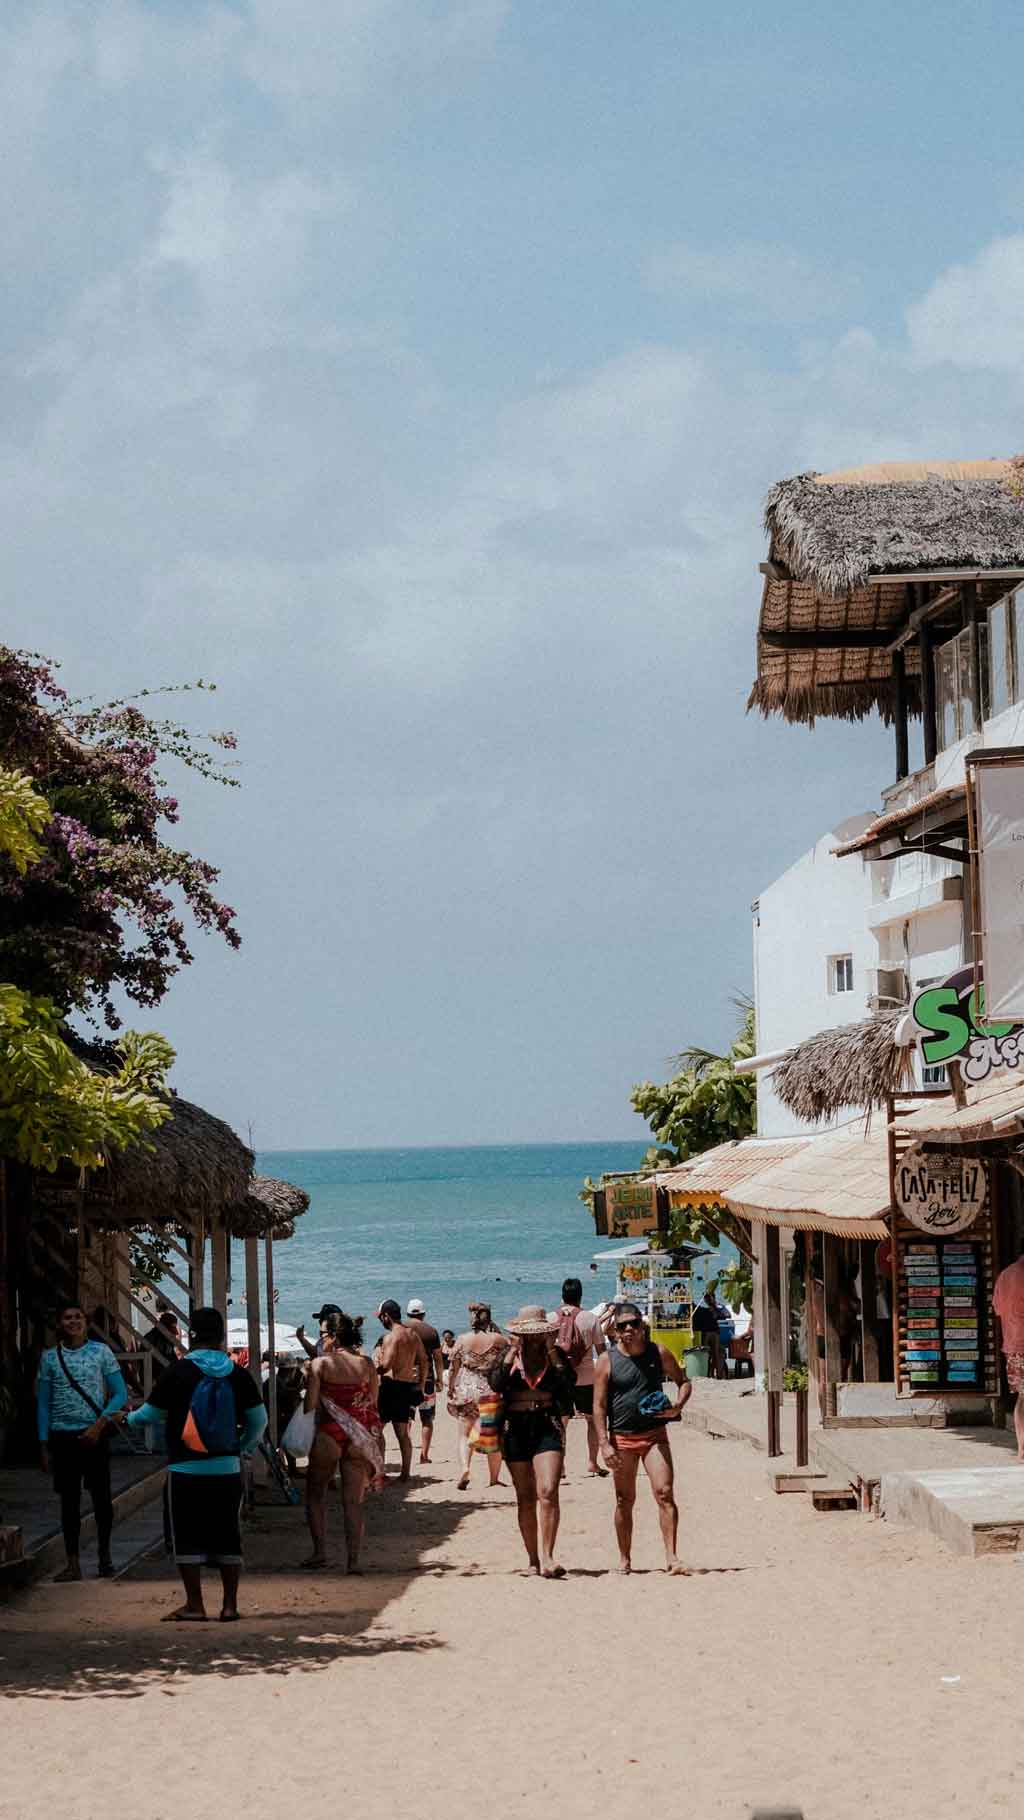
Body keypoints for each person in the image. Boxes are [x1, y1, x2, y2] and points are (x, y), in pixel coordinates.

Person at [117, 1306, 266, 1621]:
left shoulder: (178, 1371)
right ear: (221, 1336)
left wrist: (126, 1418)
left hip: (185, 1468)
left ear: (191, 1336)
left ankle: (195, 1605)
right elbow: (259, 1420)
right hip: (226, 1469)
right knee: (228, 1534)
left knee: (186, 1535)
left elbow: (150, 1415)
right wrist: (241, 1448)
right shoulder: (237, 1374)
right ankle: (229, 1606)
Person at [592, 1301, 692, 1575]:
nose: (628, 1330)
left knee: (664, 1492)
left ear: (641, 1325)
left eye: (632, 1324)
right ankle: (625, 1559)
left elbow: (684, 1381)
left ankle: (672, 1557)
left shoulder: (657, 1352)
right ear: (615, 1330)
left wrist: (678, 1406)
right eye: (621, 1325)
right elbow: (598, 1406)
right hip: (622, 1438)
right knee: (624, 1499)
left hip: (653, 1435)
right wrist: (604, 1443)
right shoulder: (606, 1361)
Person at [37, 1303, 128, 1582]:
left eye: (78, 1317)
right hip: (63, 1437)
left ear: (86, 1322)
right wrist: (43, 1444)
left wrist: (99, 1424)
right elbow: (43, 1403)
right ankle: (73, 1563)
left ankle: (104, 1558)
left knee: (102, 1500)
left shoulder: (101, 1352)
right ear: (60, 1324)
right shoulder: (50, 1358)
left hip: (94, 1436)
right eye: (68, 1317)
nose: (74, 1321)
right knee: (69, 1502)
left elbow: (120, 1394)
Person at [490, 1307, 575, 1578]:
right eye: (529, 1335)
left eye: (539, 1334)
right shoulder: (508, 1357)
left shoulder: (556, 1356)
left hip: (546, 1423)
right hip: (514, 1426)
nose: (534, 1339)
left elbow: (567, 1386)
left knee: (548, 1490)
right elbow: (496, 1383)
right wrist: (512, 1353)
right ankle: (533, 1559)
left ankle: (549, 1556)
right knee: (525, 1497)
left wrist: (552, 1352)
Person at [303, 1311, 384, 1571]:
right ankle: (353, 1561)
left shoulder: (320, 1365)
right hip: (359, 1435)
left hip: (329, 1431)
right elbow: (373, 1402)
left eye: (324, 1334)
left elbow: (310, 1405)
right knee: (353, 1502)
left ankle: (319, 1553)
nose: (321, 1338)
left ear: (334, 1337)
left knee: (315, 1494)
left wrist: (307, 1379)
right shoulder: (367, 1364)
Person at [447, 1303, 508, 1490]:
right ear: (489, 1318)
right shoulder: (498, 1339)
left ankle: (465, 1468)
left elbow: (453, 1367)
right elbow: (507, 1360)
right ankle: (494, 1478)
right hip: (489, 1388)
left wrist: (451, 1387)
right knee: (492, 1435)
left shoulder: (463, 1339)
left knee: (464, 1434)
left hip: (466, 1388)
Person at [556, 1277, 607, 1475]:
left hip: (561, 1379)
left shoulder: (552, 1318)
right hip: (586, 1377)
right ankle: (592, 1463)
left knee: (561, 1423)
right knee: (592, 1420)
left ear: (563, 1295)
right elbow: (602, 1353)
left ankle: (559, 1466)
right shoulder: (590, 1318)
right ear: (580, 1296)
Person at [375, 1299, 427, 1481]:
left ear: (386, 1316)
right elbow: (424, 1360)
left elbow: (386, 1364)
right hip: (407, 1386)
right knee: (403, 1434)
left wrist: (373, 1367)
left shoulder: (391, 1338)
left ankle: (380, 1471)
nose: (380, 1321)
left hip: (390, 1387)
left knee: (377, 1430)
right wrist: (420, 1384)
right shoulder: (412, 1334)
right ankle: (405, 1473)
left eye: (381, 1317)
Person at [406, 1297, 445, 1465]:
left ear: (407, 1313)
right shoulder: (431, 1331)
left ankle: (405, 1452)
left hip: (405, 1379)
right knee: (427, 1419)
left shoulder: (402, 1330)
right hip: (427, 1380)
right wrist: (440, 1380)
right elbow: (438, 1358)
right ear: (423, 1314)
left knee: (406, 1419)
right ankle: (424, 1455)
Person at [993, 1252, 1024, 1460]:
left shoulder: (1005, 1275)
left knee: (1022, 1397)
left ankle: (1022, 1448)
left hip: (1013, 1346)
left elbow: (997, 1308)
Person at [692, 1291, 725, 1380]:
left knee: (706, 1354)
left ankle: (708, 1373)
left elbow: (696, 1318)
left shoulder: (702, 1307)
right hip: (714, 1331)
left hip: (707, 1332)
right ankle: (717, 1375)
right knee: (715, 1354)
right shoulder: (713, 1307)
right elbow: (723, 1315)